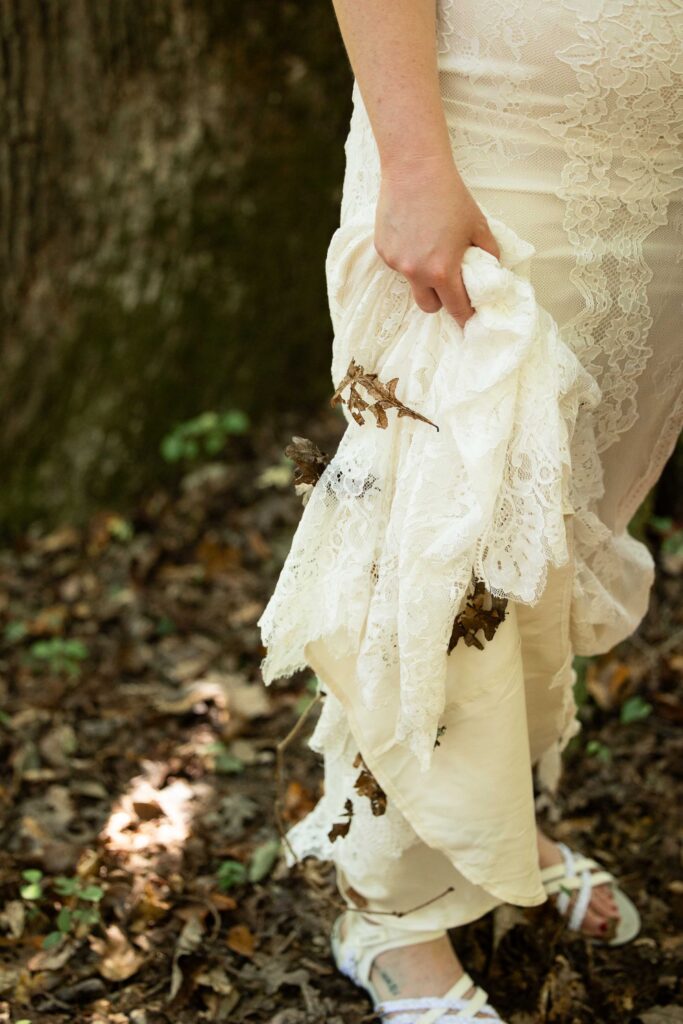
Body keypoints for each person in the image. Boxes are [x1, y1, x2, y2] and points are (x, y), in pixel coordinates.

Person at [257, 1, 683, 1020]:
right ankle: (390, 914)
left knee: (550, 533)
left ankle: (483, 831)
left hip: (652, 178)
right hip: (487, 145)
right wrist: (411, 166)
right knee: (441, 534)